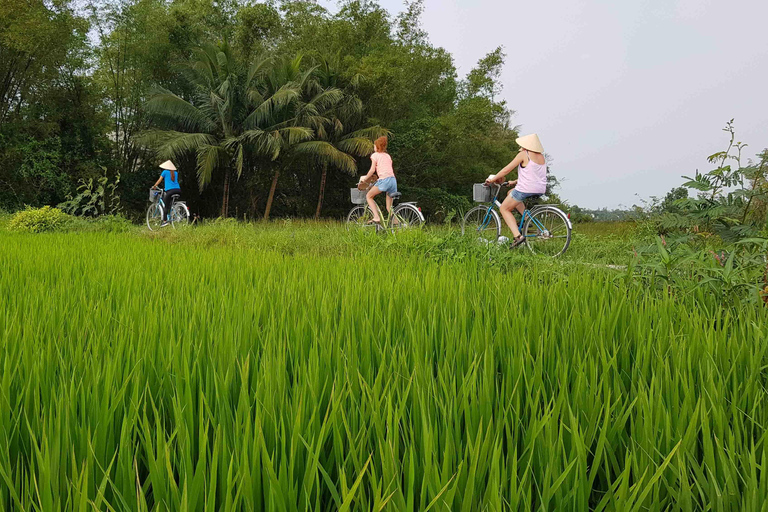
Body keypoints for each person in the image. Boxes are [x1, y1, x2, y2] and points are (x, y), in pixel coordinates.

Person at [486, 134, 548, 247]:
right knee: (511, 193)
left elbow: (506, 170)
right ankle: (528, 219)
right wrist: (514, 182)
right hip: (539, 188)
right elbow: (533, 175)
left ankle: (518, 237)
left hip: (525, 189)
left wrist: (492, 179)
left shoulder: (524, 154)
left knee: (504, 209)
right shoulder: (541, 157)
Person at [358, 136, 397, 225]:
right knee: (389, 207)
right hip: (393, 181)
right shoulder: (387, 156)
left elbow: (372, 170)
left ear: (377, 146)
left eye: (374, 146)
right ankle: (397, 225)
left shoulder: (375, 155)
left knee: (369, 196)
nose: (373, 147)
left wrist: (365, 179)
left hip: (384, 181)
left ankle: (376, 217)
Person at [152, 160, 181, 226]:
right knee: (170, 204)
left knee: (165, 205)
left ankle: (165, 221)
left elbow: (159, 180)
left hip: (170, 191)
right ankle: (172, 216)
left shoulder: (165, 172)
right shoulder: (176, 173)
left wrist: (154, 186)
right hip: (178, 190)